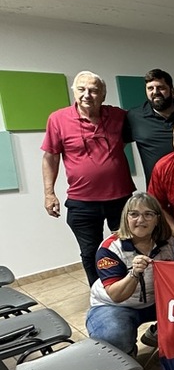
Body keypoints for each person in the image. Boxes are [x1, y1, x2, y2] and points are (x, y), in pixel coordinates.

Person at [41, 70, 135, 287]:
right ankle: (100, 292)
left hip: (120, 198)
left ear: (103, 94)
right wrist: (49, 193)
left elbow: (144, 120)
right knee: (90, 252)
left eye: (93, 90)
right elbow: (50, 157)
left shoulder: (119, 116)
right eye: (81, 89)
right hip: (82, 202)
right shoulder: (58, 119)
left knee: (128, 245)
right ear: (74, 91)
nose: (87, 95)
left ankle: (130, 288)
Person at [85, 193, 174, 355]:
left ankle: (156, 332)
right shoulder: (109, 248)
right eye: (134, 214)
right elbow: (116, 295)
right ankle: (125, 350)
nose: (141, 220)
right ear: (126, 218)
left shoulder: (168, 242)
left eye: (148, 214)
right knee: (114, 339)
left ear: (157, 219)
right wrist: (133, 274)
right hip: (116, 305)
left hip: (156, 302)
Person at [125, 68, 174, 182]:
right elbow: (118, 147)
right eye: (150, 88)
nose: (155, 92)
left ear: (172, 91)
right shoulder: (135, 116)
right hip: (156, 191)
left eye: (161, 87)